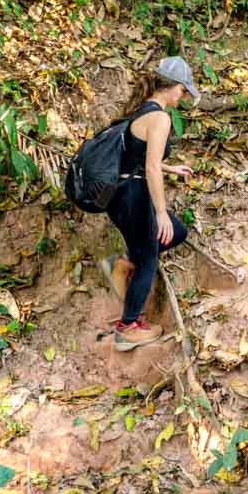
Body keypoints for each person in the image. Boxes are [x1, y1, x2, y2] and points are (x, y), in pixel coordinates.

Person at [99, 57, 199, 351]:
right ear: (171, 86)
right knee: (149, 259)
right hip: (133, 195)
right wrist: (161, 213)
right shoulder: (160, 118)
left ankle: (121, 265)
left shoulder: (142, 110)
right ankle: (127, 328)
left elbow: (139, 156)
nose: (182, 97)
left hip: (122, 194)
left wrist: (172, 168)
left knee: (177, 232)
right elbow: (151, 167)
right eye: (183, 90)